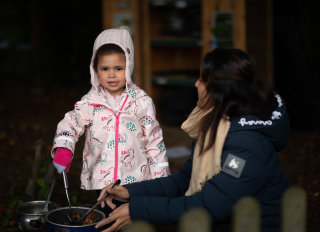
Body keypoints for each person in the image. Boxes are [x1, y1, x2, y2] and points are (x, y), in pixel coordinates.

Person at [95, 48, 290, 232]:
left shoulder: (247, 145)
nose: (196, 84)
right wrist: (129, 192)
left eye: (202, 80)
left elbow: (213, 205)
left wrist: (138, 210)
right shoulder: (218, 124)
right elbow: (182, 182)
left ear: (220, 90)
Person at [51, 27, 170, 191]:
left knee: (132, 216)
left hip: (136, 183)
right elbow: (70, 123)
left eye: (118, 68)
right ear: (95, 70)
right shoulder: (90, 103)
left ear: (129, 67)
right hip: (101, 182)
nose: (111, 74)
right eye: (105, 68)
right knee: (103, 216)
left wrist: (160, 183)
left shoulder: (142, 102)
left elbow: (155, 143)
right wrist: (64, 147)